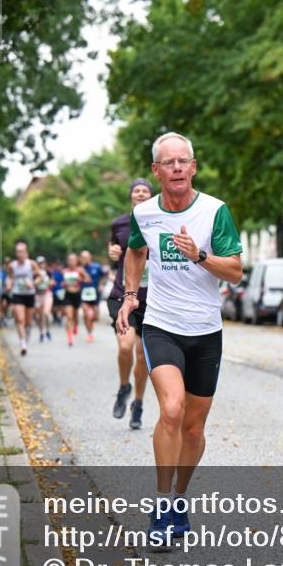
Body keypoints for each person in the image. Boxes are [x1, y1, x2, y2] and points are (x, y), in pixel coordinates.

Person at [117, 132, 243, 541]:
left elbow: (235, 271)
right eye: (168, 163)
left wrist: (199, 256)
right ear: (156, 171)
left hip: (205, 330)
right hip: (162, 325)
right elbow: (136, 251)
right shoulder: (144, 213)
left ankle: (179, 499)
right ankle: (160, 507)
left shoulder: (215, 211)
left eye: (183, 161)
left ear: (193, 167)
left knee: (193, 427)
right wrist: (130, 297)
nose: (176, 168)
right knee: (171, 409)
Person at [108, 178, 155, 429]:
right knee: (125, 347)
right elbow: (114, 250)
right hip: (122, 294)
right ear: (131, 196)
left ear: (151, 196)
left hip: (152, 299)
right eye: (136, 190)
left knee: (143, 356)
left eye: (145, 191)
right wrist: (112, 253)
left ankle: (138, 404)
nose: (140, 193)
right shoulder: (119, 224)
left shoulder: (160, 221)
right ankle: (124, 387)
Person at [6, 243, 42, 357]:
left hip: (29, 294)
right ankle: (23, 344)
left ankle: (27, 335)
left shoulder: (31, 264)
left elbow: (41, 277)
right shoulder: (12, 266)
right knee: (20, 319)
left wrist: (33, 283)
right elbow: (10, 277)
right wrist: (8, 284)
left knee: (28, 321)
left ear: (26, 253)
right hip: (17, 294)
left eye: (22, 252)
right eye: (18, 252)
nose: (20, 254)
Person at [59, 253, 88, 347]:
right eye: (69, 260)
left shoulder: (80, 270)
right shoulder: (64, 271)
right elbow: (61, 283)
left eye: (73, 260)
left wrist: (80, 280)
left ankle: (75, 325)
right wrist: (63, 284)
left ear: (76, 261)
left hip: (77, 294)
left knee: (75, 316)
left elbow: (88, 279)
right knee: (69, 316)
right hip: (68, 295)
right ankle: (70, 338)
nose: (71, 262)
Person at [79, 250, 104, 343]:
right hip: (84, 293)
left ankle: (92, 322)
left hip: (95, 293)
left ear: (90, 257)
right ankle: (89, 333)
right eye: (82, 257)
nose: (84, 259)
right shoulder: (80, 269)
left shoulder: (97, 266)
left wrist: (101, 285)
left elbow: (102, 277)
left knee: (95, 317)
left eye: (85, 257)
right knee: (86, 315)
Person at [33, 256, 53, 342]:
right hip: (38, 295)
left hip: (47, 294)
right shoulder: (34, 273)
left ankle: (48, 331)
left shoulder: (48, 272)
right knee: (39, 317)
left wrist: (50, 283)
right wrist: (37, 281)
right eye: (39, 263)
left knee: (46, 313)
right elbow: (32, 284)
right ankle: (41, 333)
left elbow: (52, 281)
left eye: (43, 263)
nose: (41, 265)